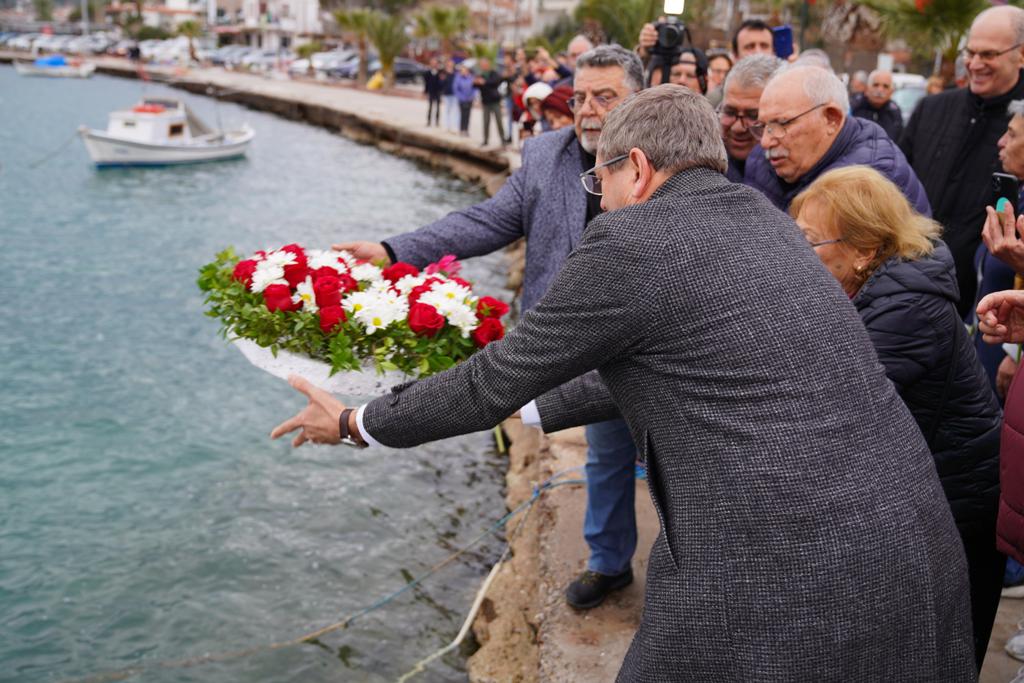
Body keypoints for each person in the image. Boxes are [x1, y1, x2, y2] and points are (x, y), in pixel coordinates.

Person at [272, 85, 976, 681]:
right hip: (917, 554)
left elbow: (491, 378)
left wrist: (356, 422)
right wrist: (538, 407)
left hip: (780, 577)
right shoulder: (761, 219)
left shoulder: (633, 241)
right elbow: (676, 364)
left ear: (635, 167)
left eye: (599, 180)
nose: (600, 202)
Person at [330, 45, 648, 610]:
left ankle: (692, 575)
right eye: (579, 97)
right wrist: (391, 248)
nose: (589, 110)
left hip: (647, 341)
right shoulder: (547, 156)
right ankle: (608, 564)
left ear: (639, 103)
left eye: (606, 97)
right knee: (605, 455)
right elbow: (483, 222)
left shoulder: (661, 164)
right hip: (570, 342)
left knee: (669, 460)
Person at [791, 165, 1003, 671]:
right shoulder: (871, 289)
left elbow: (828, 406)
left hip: (957, 506)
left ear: (865, 249)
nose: (798, 255)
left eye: (810, 242)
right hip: (932, 494)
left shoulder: (907, 308)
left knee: (943, 652)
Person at [901, 5, 1024, 316]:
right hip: (907, 290)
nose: (974, 64)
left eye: (988, 55)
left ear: (1020, 55)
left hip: (989, 309)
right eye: (970, 53)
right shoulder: (931, 109)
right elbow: (895, 191)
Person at [744, 65, 930, 215]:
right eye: (763, 126)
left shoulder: (872, 183)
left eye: (782, 123)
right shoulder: (760, 159)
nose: (766, 142)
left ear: (831, 119)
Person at [719, 54, 785, 182]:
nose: (738, 128)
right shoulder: (697, 166)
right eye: (730, 112)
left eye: (753, 116)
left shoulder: (795, 177)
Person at [850, 69, 903, 141]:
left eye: (885, 86)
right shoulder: (854, 108)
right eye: (876, 85)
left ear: (891, 92)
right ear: (867, 89)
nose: (880, 90)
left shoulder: (894, 114)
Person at [474, 57, 508, 148]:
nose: (483, 66)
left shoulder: (494, 73)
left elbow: (496, 82)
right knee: (486, 122)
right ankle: (485, 140)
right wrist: (477, 82)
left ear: (488, 64)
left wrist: (484, 82)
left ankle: (503, 140)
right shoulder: (480, 75)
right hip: (486, 102)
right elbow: (474, 85)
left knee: (499, 121)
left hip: (495, 101)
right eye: (482, 64)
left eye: (485, 64)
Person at [453, 63, 475, 137]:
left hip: (469, 99)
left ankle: (466, 130)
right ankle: (461, 129)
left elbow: (474, 88)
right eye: (462, 70)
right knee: (462, 114)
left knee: (468, 115)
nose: (464, 71)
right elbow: (456, 89)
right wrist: (461, 97)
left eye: (465, 70)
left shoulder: (471, 78)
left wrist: (472, 96)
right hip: (462, 100)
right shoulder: (458, 78)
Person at [423, 58, 445, 127]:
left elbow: (442, 83)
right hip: (431, 92)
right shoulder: (428, 73)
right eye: (432, 63)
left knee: (438, 108)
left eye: (435, 63)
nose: (434, 65)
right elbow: (426, 83)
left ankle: (437, 122)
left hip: (438, 92)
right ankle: (429, 121)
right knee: (430, 107)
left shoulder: (440, 72)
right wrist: (425, 91)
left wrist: (442, 91)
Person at [441, 60, 458, 133]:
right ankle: (447, 126)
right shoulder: (444, 73)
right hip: (446, 94)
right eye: (449, 64)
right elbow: (441, 84)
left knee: (455, 111)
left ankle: (455, 127)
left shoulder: (456, 73)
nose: (450, 65)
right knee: (447, 110)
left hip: (454, 94)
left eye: (452, 64)